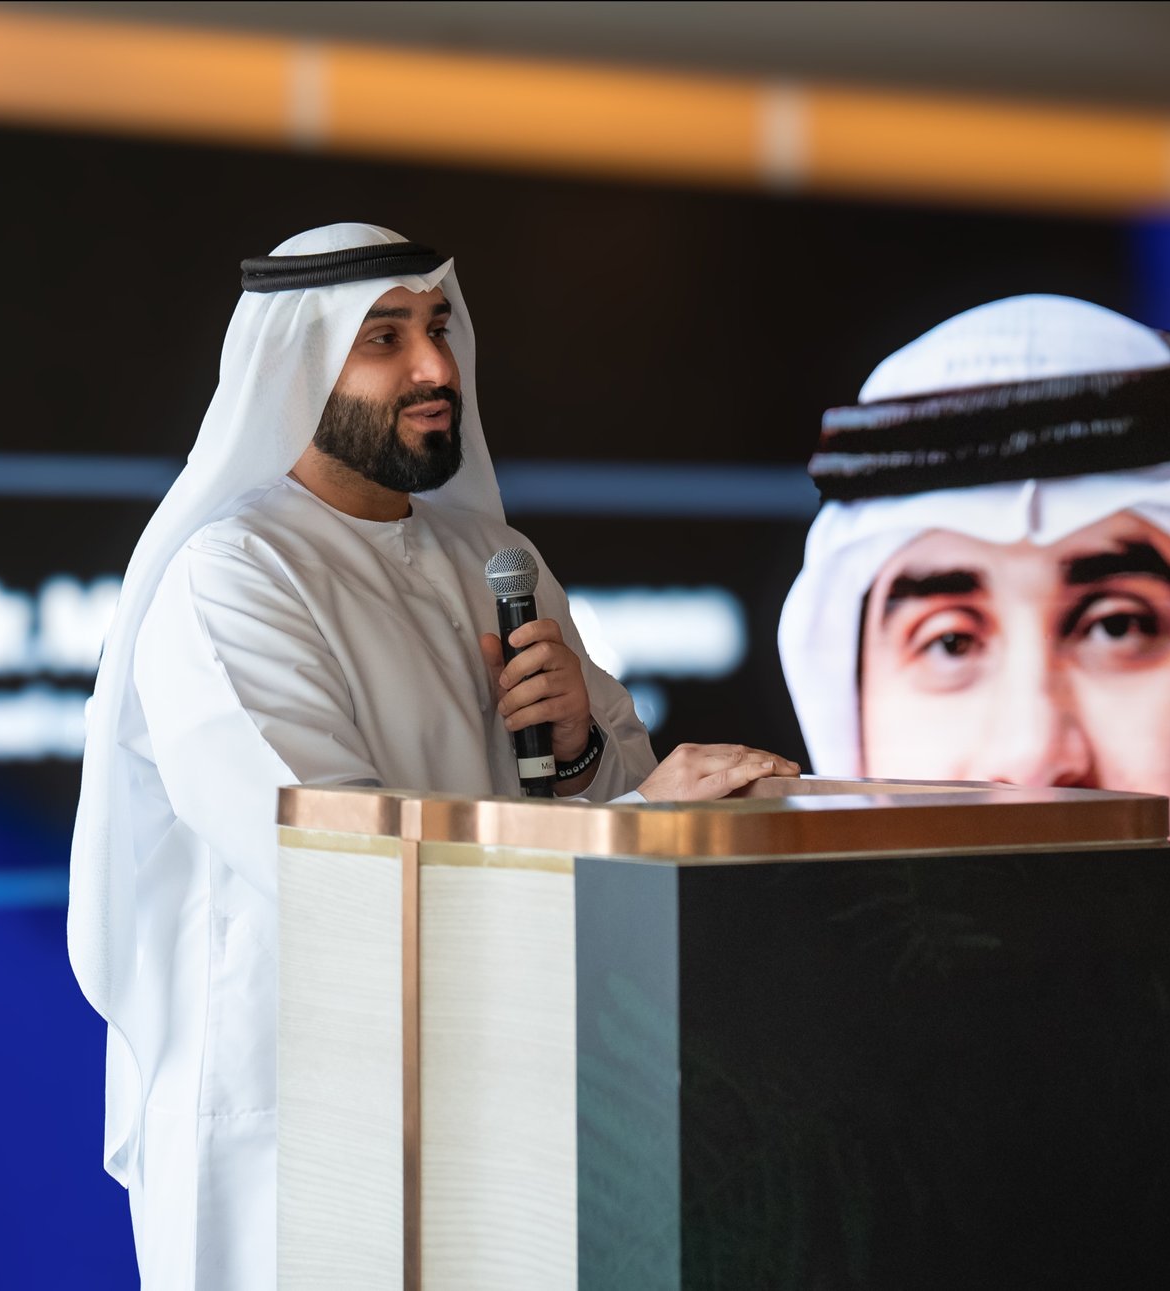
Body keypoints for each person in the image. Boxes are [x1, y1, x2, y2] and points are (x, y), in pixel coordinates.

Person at [68, 223, 795, 1289]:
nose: (435, 369)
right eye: (384, 337)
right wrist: (640, 826)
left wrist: (582, 753)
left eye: (439, 328)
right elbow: (339, 875)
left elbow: (614, 781)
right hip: (303, 1140)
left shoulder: (492, 560)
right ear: (299, 365)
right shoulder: (233, 577)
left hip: (506, 1099)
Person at [778, 292, 1170, 1210]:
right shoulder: (778, 1138)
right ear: (856, 721)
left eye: (1115, 626)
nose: (1036, 755)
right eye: (950, 641)